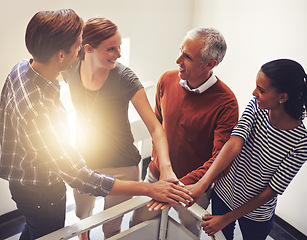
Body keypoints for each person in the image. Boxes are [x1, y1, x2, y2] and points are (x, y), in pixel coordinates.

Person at [0, 10, 193, 240]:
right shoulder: (48, 97)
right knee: (70, 224)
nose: (80, 49)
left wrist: (166, 169)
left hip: (103, 167)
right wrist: (149, 188)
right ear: (65, 55)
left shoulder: (22, 69)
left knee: (103, 228)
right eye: (78, 45)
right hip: (64, 176)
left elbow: (155, 127)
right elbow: (79, 176)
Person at [60, 17, 177, 240]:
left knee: (111, 228)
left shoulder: (124, 77)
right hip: (84, 162)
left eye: (120, 46)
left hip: (123, 165)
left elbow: (156, 128)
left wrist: (167, 168)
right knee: (83, 218)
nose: (119, 54)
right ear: (88, 49)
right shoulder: (70, 67)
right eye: (111, 48)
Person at [130, 27, 239, 237]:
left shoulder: (227, 103)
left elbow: (220, 158)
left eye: (187, 57)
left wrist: (179, 187)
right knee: (136, 226)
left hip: (193, 189)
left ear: (210, 64)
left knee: (188, 233)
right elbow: (157, 128)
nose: (178, 59)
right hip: (157, 176)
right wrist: (162, 171)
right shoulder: (166, 80)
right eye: (181, 50)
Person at [191, 59, 307, 239]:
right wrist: (202, 184)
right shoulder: (256, 106)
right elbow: (234, 142)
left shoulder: (301, 142)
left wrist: (226, 219)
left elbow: (272, 189)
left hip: (256, 213)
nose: (254, 93)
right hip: (224, 194)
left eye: (261, 90)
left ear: (282, 97)